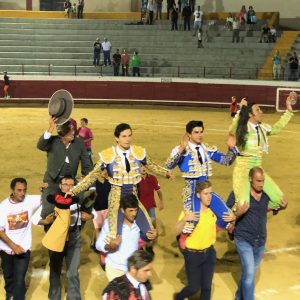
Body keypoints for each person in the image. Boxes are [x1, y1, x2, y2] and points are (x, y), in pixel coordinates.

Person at [68, 123, 171, 240]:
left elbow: (152, 165)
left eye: (129, 136)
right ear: (116, 138)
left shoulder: (138, 152)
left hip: (133, 196)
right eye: (124, 136)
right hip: (116, 196)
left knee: (149, 234)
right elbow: (92, 176)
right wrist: (74, 191)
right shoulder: (108, 155)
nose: (128, 139)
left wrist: (166, 172)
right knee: (113, 235)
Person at [226, 167, 288, 300]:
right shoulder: (238, 194)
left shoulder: (266, 194)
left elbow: (269, 207)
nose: (261, 184)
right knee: (249, 275)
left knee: (249, 274)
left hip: (260, 241)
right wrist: (238, 213)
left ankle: (238, 297)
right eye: (258, 181)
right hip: (243, 239)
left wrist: (282, 207)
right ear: (250, 179)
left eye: (263, 181)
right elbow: (225, 214)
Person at [165, 120, 237, 233]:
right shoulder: (182, 149)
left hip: (207, 190)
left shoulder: (207, 148)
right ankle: (184, 245)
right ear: (189, 134)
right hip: (192, 191)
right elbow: (168, 166)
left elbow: (226, 161)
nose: (200, 135)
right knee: (191, 224)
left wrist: (232, 149)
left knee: (227, 216)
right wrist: (180, 150)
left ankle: (208, 234)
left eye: (201, 132)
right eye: (196, 132)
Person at [32, 176, 95, 300]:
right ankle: (54, 297)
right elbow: (36, 218)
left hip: (74, 237)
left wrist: (90, 216)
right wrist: (46, 221)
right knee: (55, 270)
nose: (69, 187)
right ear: (60, 186)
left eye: (72, 185)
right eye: (66, 184)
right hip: (58, 237)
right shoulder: (53, 199)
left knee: (72, 272)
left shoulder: (79, 199)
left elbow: (92, 213)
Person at [228, 97, 294, 213]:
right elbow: (232, 130)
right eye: (258, 110)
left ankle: (256, 213)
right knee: (242, 206)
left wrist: (288, 111)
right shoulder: (242, 128)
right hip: (243, 170)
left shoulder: (262, 128)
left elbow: (276, 128)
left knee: (280, 200)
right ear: (250, 114)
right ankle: (233, 225)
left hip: (258, 169)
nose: (261, 112)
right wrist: (240, 109)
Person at [174, 180, 236, 300]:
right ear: (198, 195)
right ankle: (178, 297)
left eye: (210, 193)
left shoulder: (214, 212)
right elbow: (175, 231)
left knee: (207, 287)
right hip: (193, 254)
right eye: (205, 194)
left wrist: (233, 217)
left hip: (209, 253)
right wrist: (184, 219)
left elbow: (227, 224)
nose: (209, 197)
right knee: (193, 287)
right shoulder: (190, 212)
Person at [37, 116, 93, 219]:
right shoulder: (53, 141)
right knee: (48, 212)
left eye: (73, 130)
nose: (73, 133)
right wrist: (50, 128)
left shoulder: (79, 143)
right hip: (52, 182)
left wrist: (87, 180)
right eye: (70, 130)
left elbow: (87, 165)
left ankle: (77, 229)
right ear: (62, 132)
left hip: (70, 182)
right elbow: (40, 145)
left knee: (83, 205)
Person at [96, 194, 157, 281]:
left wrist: (154, 235)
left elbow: (146, 239)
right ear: (122, 210)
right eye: (130, 210)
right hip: (115, 269)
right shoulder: (111, 223)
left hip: (133, 270)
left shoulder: (139, 224)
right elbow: (98, 244)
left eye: (136, 210)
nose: (134, 214)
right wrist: (109, 246)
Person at [0, 178, 42, 300]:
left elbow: (47, 198)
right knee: (8, 276)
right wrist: (14, 247)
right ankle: (10, 295)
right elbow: (0, 231)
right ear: (12, 190)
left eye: (24, 190)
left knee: (19, 279)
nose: (22, 193)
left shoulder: (29, 200)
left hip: (23, 249)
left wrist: (46, 189)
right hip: (5, 249)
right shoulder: (3, 207)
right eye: (19, 190)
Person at [90, 170, 111, 250]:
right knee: (98, 228)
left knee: (104, 228)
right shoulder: (93, 183)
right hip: (96, 209)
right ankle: (99, 247)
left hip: (107, 208)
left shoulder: (108, 182)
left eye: (106, 170)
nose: (105, 172)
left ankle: (93, 242)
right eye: (102, 170)